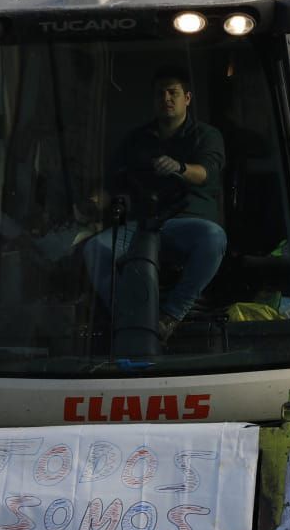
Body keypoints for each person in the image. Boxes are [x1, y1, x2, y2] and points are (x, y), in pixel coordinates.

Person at [84, 68, 228, 341]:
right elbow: (114, 183)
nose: (166, 98)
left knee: (214, 237)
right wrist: (93, 201)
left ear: (187, 98)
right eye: (160, 94)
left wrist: (180, 167)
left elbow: (206, 172)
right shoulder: (136, 139)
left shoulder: (206, 135)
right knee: (94, 250)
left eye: (172, 92)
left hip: (187, 222)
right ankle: (128, 318)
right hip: (143, 226)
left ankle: (169, 316)